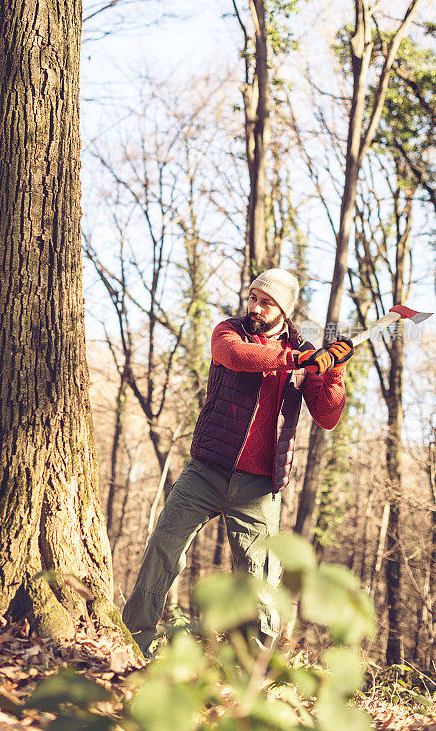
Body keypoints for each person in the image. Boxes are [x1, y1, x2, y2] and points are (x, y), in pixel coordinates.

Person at [122, 268, 354, 658]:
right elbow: (240, 357)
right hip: (207, 471)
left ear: (285, 309)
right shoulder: (230, 333)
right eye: (253, 298)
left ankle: (252, 674)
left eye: (267, 302)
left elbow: (328, 416)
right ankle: (133, 645)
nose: (256, 307)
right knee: (162, 549)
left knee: (261, 584)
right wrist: (301, 359)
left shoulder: (309, 355)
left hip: (260, 485)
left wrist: (333, 371)